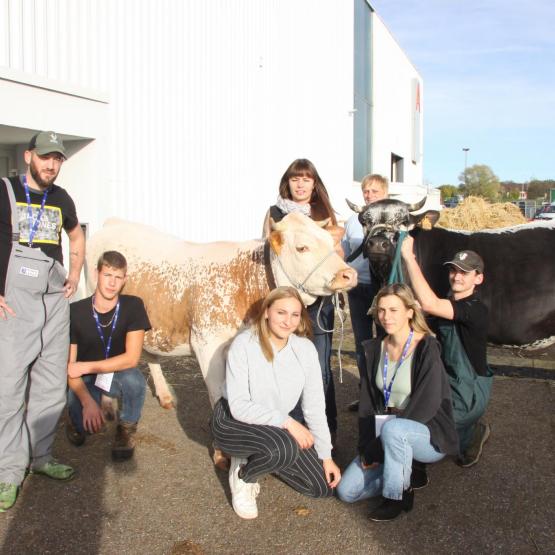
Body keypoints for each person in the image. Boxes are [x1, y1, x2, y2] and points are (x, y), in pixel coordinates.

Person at [0, 131, 85, 512]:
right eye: (46, 157)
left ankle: (41, 457)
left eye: (58, 159)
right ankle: (8, 472)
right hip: (15, 303)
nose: (52, 165)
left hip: (53, 300)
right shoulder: (5, 191)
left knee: (51, 385)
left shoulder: (63, 197)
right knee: (8, 390)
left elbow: (76, 237)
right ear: (29, 155)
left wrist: (75, 274)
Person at [211, 286, 341, 520]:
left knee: (321, 487)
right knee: (284, 446)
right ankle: (244, 474)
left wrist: (326, 456)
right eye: (281, 312)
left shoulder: (305, 349)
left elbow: (314, 408)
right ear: (267, 312)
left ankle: (267, 456)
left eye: (295, 314)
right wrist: (288, 422)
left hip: (273, 426)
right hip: (233, 420)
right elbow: (239, 406)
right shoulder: (244, 344)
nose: (288, 321)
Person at [336, 284, 458, 521]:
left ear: (410, 311)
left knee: (395, 430)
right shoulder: (375, 349)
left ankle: (398, 496)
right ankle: (404, 468)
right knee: (346, 492)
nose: (386, 317)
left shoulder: (427, 347)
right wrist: (366, 447)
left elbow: (427, 404)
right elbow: (368, 404)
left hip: (427, 432)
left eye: (393, 309)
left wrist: (381, 441)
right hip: (389, 430)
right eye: (381, 310)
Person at [262, 158, 342, 443]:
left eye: (306, 179)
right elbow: (268, 253)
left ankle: (326, 434)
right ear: (288, 182)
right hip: (286, 303)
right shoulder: (274, 213)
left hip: (318, 304)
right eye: (295, 179)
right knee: (284, 365)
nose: (300, 184)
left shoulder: (324, 213)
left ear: (314, 183)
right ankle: (290, 431)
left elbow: (337, 253)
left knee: (319, 367)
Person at [401, 237, 493, 467]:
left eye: (465, 272)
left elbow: (430, 305)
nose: (457, 276)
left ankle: (473, 432)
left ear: (478, 278)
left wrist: (409, 259)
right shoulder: (448, 304)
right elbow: (426, 311)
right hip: (446, 380)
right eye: (453, 270)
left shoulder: (475, 309)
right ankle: (462, 431)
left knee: (431, 431)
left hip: (468, 392)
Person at [66, 251, 151, 461]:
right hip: (86, 381)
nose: (112, 283)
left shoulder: (133, 306)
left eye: (118, 277)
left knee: (135, 380)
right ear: (96, 274)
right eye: (107, 275)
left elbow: (132, 359)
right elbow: (70, 368)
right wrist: (87, 403)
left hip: (115, 374)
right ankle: (76, 417)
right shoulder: (75, 312)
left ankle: (126, 429)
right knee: (86, 427)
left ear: (124, 280)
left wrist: (87, 367)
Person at [342, 174, 389, 412]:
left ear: (386, 194)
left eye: (375, 191)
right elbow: (343, 253)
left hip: (383, 289)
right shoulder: (352, 221)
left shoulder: (391, 221)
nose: (369, 195)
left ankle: (386, 396)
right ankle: (366, 395)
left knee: (385, 342)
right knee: (362, 343)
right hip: (357, 288)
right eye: (366, 191)